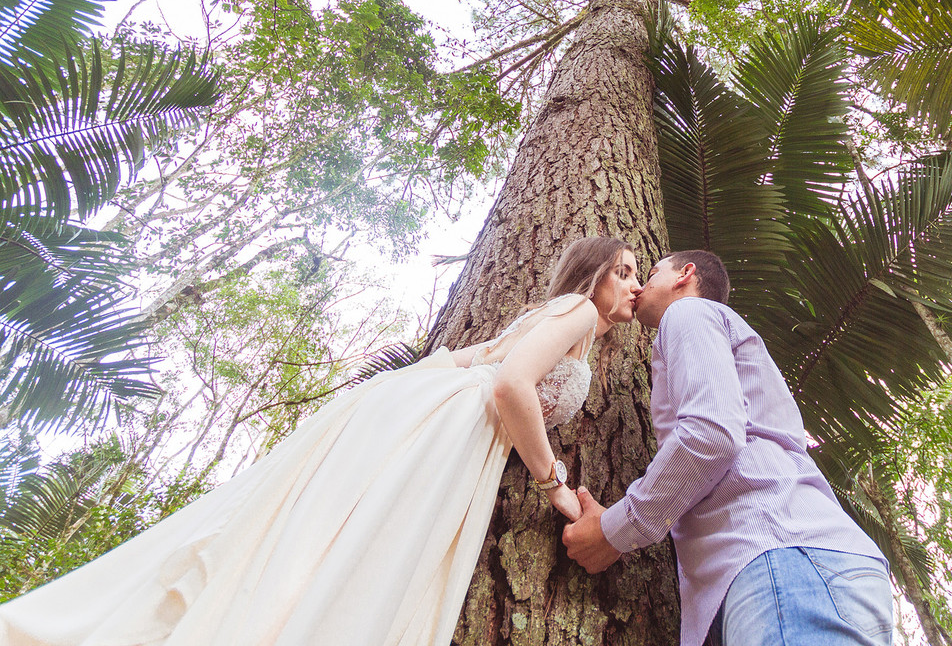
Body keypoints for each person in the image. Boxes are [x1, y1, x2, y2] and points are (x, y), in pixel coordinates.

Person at [0, 236, 642, 646]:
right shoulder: (576, 311)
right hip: (454, 428)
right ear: (596, 277)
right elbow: (509, 385)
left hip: (439, 414)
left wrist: (378, 402)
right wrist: (552, 483)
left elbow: (470, 360)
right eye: (626, 270)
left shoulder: (553, 320)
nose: (635, 284)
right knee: (365, 554)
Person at [563, 250, 894, 646]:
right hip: (794, 569)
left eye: (650, 274)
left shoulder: (688, 313)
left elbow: (712, 431)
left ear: (685, 275)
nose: (638, 287)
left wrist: (614, 531)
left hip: (780, 559)